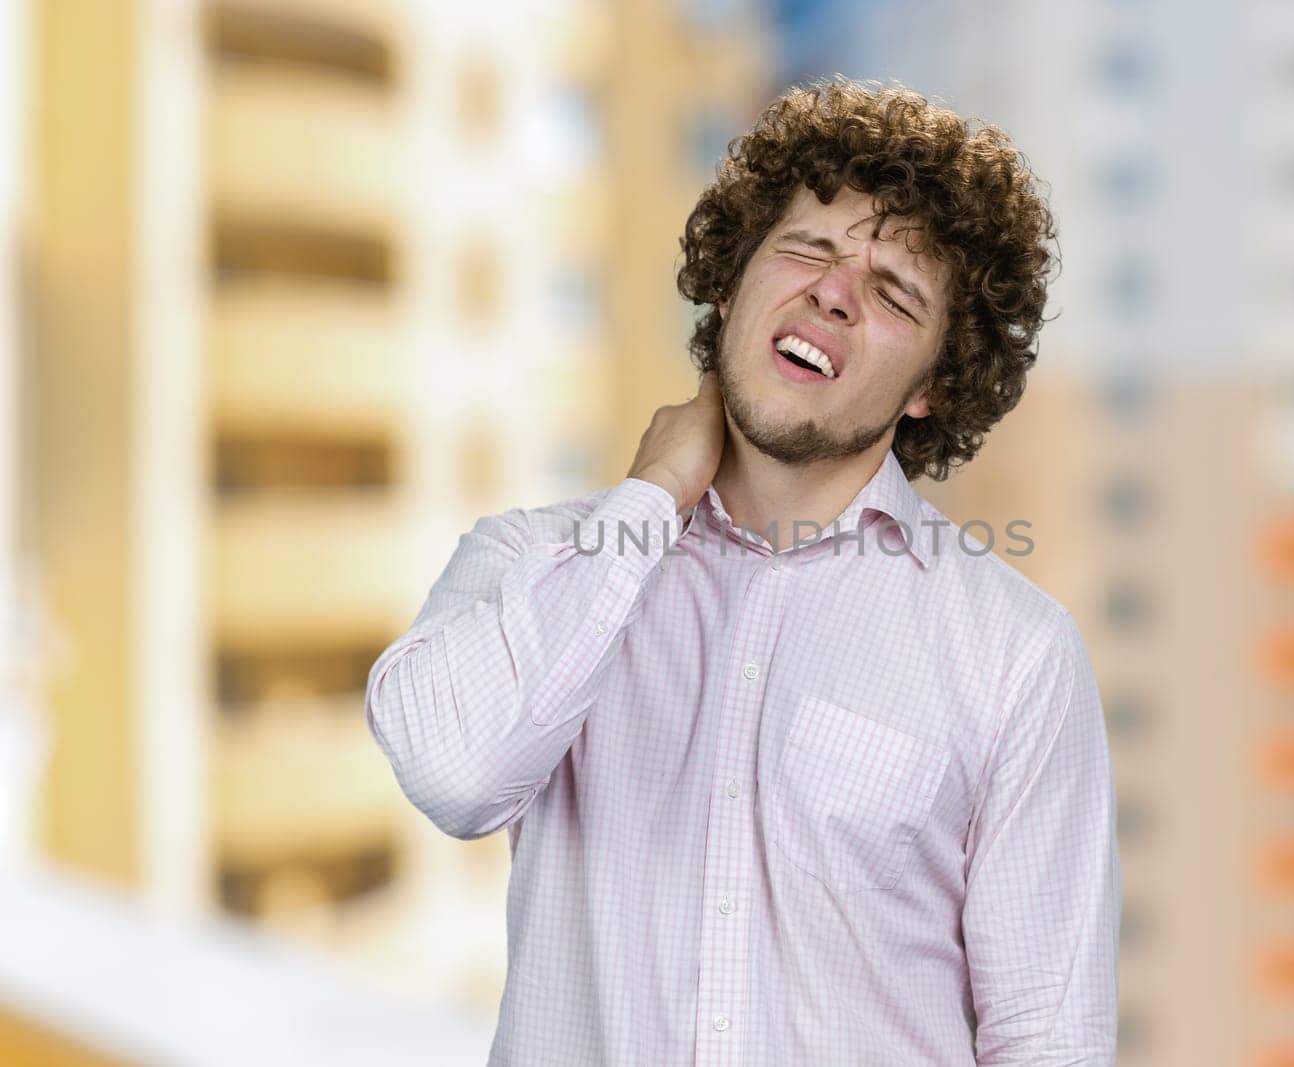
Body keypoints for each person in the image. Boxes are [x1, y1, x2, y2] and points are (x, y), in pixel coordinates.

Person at [365, 77, 1119, 1066]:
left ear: (936, 384)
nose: (834, 290)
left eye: (893, 292)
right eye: (808, 247)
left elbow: (1047, 1039)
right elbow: (456, 775)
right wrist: (648, 502)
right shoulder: (532, 561)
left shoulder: (1013, 654)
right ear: (730, 282)